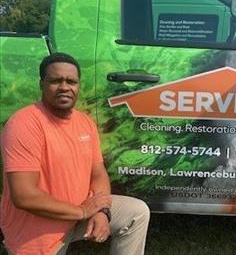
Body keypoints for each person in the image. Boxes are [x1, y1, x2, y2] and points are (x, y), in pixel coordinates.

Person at [0, 53, 150, 255]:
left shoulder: (84, 122)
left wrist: (102, 211)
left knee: (137, 212)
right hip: (38, 232)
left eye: (71, 81)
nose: (64, 87)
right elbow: (24, 196)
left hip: (79, 214)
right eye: (55, 81)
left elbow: (98, 174)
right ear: (41, 84)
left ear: (78, 86)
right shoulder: (23, 124)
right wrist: (82, 211)